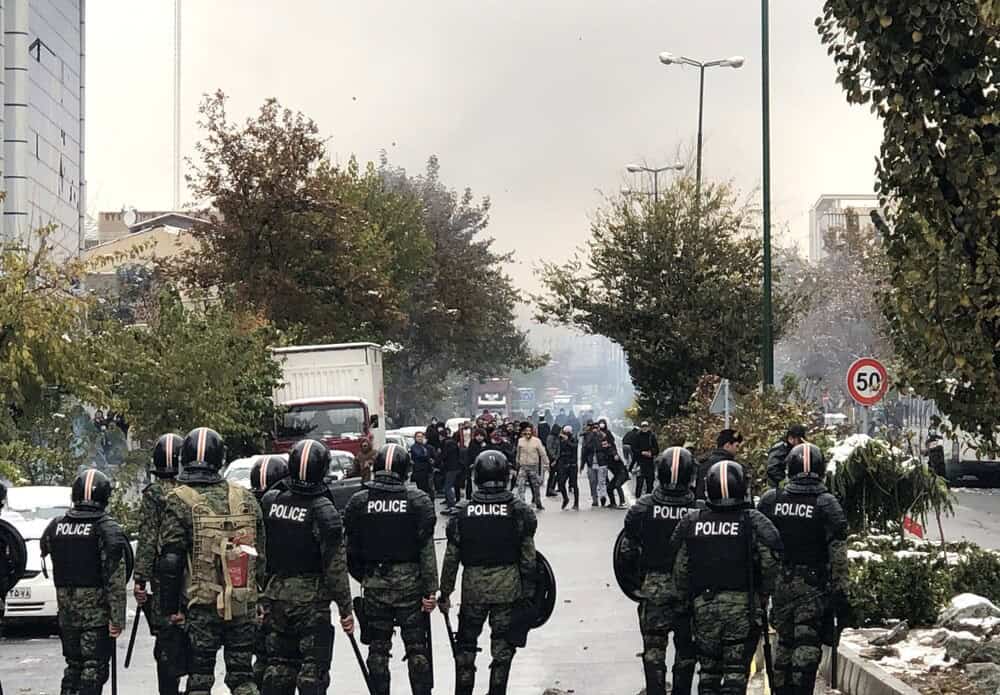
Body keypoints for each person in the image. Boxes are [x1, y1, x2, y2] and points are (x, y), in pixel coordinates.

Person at [159, 427, 266, 695]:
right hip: (242, 602)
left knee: (200, 677)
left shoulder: (178, 500)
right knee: (242, 677)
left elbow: (171, 560)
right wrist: (258, 597)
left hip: (201, 606)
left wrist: (171, 608)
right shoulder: (245, 499)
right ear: (220, 459)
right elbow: (261, 554)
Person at [670, 461, 782, 695]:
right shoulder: (753, 521)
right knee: (735, 674)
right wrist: (764, 596)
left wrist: (682, 606)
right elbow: (770, 563)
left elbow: (680, 569)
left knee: (708, 674)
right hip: (743, 609)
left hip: (704, 609)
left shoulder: (693, 521)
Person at [439, 450, 538, 695]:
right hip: (508, 590)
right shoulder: (519, 510)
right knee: (503, 650)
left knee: (465, 647)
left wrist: (445, 593)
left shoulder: (462, 512)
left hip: (473, 590)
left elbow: (451, 558)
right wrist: (529, 594)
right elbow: (529, 559)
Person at [260, 439, 354, 694]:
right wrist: (346, 609)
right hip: (311, 602)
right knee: (313, 673)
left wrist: (260, 595)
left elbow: (260, 553)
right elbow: (335, 567)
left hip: (275, 595)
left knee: (278, 667)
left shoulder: (271, 501)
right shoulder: (324, 510)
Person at [344, 444, 438, 695]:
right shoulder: (418, 501)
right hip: (411, 586)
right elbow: (426, 551)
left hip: (374, 583)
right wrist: (431, 592)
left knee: (377, 650)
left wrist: (365, 577)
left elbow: (350, 550)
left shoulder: (359, 501)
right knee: (417, 648)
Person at [758, 443, 848, 695]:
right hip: (813, 587)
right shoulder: (826, 503)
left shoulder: (772, 500)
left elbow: (759, 545)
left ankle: (781, 689)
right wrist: (841, 592)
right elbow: (838, 553)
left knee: (784, 641)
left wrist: (762, 586)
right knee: (807, 643)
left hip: (780, 584)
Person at [621, 448, 702, 695]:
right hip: (689, 591)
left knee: (654, 649)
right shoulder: (700, 511)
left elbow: (626, 553)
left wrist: (637, 585)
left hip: (654, 589)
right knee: (686, 650)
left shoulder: (642, 509)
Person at [41, 468, 128, 695]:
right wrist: (117, 619)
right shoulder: (106, 530)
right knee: (93, 669)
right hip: (96, 616)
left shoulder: (55, 526)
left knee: (73, 666)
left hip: (66, 613)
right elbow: (115, 579)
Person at [133, 433, 185, 695]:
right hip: (197, 575)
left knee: (166, 640)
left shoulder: (154, 494)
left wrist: (140, 578)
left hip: (164, 576)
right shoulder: (195, 491)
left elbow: (148, 536)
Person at [250, 455, 291, 688]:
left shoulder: (245, 508)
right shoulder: (286, 508)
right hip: (279, 591)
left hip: (253, 593)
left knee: (261, 659)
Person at [695, 429, 744, 500]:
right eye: (736, 446)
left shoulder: (703, 463)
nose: (738, 450)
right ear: (727, 445)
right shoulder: (734, 467)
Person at [515, 421, 548, 511]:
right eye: (526, 431)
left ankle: (538, 503)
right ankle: (522, 503)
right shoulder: (520, 441)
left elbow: (542, 453)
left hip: (533, 467)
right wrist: (517, 462)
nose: (528, 433)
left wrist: (546, 464)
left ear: (532, 432)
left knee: (535, 487)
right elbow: (518, 453)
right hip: (523, 467)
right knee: (521, 486)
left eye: (530, 431)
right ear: (524, 432)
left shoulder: (536, 441)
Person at [554, 426, 580, 510]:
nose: (565, 434)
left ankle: (576, 503)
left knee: (574, 484)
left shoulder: (573, 438)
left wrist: (567, 440)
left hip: (572, 464)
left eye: (567, 432)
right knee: (561, 483)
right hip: (563, 464)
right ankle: (565, 498)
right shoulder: (560, 439)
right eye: (564, 432)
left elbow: (574, 446)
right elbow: (558, 450)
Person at [632, 422, 660, 497]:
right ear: (641, 427)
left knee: (650, 482)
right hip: (640, 462)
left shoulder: (652, 436)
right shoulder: (637, 436)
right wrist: (641, 453)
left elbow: (657, 449)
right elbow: (634, 449)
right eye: (643, 426)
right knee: (639, 482)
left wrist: (651, 453)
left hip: (650, 463)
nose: (644, 428)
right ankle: (637, 499)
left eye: (646, 426)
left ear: (648, 427)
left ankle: (649, 499)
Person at [439, 430, 464, 515]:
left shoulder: (446, 444)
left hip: (451, 468)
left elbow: (443, 456)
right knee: (451, 486)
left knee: (447, 487)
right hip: (456, 467)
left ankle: (451, 506)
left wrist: (437, 461)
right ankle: (453, 504)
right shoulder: (453, 443)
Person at [604, 435, 630, 508]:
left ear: (609, 444)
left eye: (605, 444)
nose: (604, 446)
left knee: (618, 485)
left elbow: (614, 452)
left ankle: (623, 503)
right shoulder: (604, 453)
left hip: (622, 473)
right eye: (603, 445)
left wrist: (615, 455)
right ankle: (613, 503)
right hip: (617, 474)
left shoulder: (611, 450)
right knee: (609, 487)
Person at [410, 431, 436, 498]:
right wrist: (428, 458)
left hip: (428, 471)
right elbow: (420, 455)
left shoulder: (426, 446)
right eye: (418, 437)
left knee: (430, 489)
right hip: (420, 471)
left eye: (421, 437)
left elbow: (433, 455)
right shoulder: (414, 447)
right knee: (422, 490)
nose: (420, 438)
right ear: (415, 438)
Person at [465, 428, 489, 499]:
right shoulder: (472, 443)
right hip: (473, 467)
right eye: (477, 435)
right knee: (471, 484)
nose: (479, 437)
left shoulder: (486, 443)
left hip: (484, 468)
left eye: (481, 436)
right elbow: (471, 455)